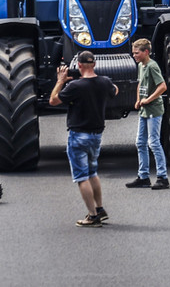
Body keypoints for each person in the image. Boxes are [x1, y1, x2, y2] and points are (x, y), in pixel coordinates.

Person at [49, 50, 118, 227]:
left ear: (79, 65)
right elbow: (115, 90)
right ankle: (100, 209)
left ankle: (92, 215)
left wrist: (60, 81)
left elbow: (53, 101)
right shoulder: (105, 82)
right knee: (93, 173)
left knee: (82, 177)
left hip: (78, 135)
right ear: (94, 64)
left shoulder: (75, 87)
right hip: (97, 136)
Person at [126, 39, 169, 189]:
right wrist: (138, 100)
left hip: (154, 110)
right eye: (133, 53)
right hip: (144, 110)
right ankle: (143, 176)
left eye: (136, 53)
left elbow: (163, 86)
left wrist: (148, 99)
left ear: (146, 52)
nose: (134, 55)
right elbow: (140, 84)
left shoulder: (152, 66)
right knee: (140, 143)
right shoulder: (140, 66)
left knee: (154, 142)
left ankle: (163, 177)